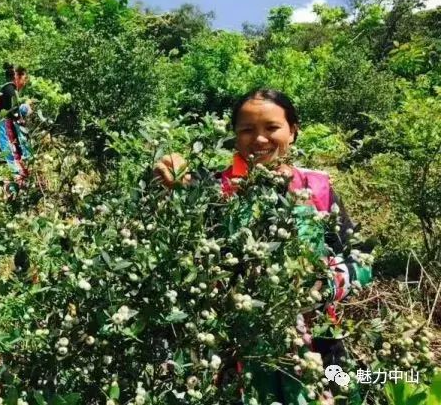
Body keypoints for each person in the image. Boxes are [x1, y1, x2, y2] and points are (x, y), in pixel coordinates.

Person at [154, 88, 372, 403]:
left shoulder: (317, 188)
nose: (259, 139)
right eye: (246, 130)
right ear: (234, 136)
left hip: (319, 342)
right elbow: (170, 225)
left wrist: (325, 282)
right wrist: (166, 180)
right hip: (237, 348)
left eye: (272, 128)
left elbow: (361, 259)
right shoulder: (215, 191)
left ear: (293, 131)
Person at [0, 63, 33, 198]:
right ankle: (16, 191)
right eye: (24, 79)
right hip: (5, 129)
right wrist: (26, 108)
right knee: (12, 157)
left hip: (3, 129)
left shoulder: (4, 90)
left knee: (10, 156)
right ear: (17, 76)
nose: (24, 83)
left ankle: (15, 189)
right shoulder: (10, 89)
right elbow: (13, 112)